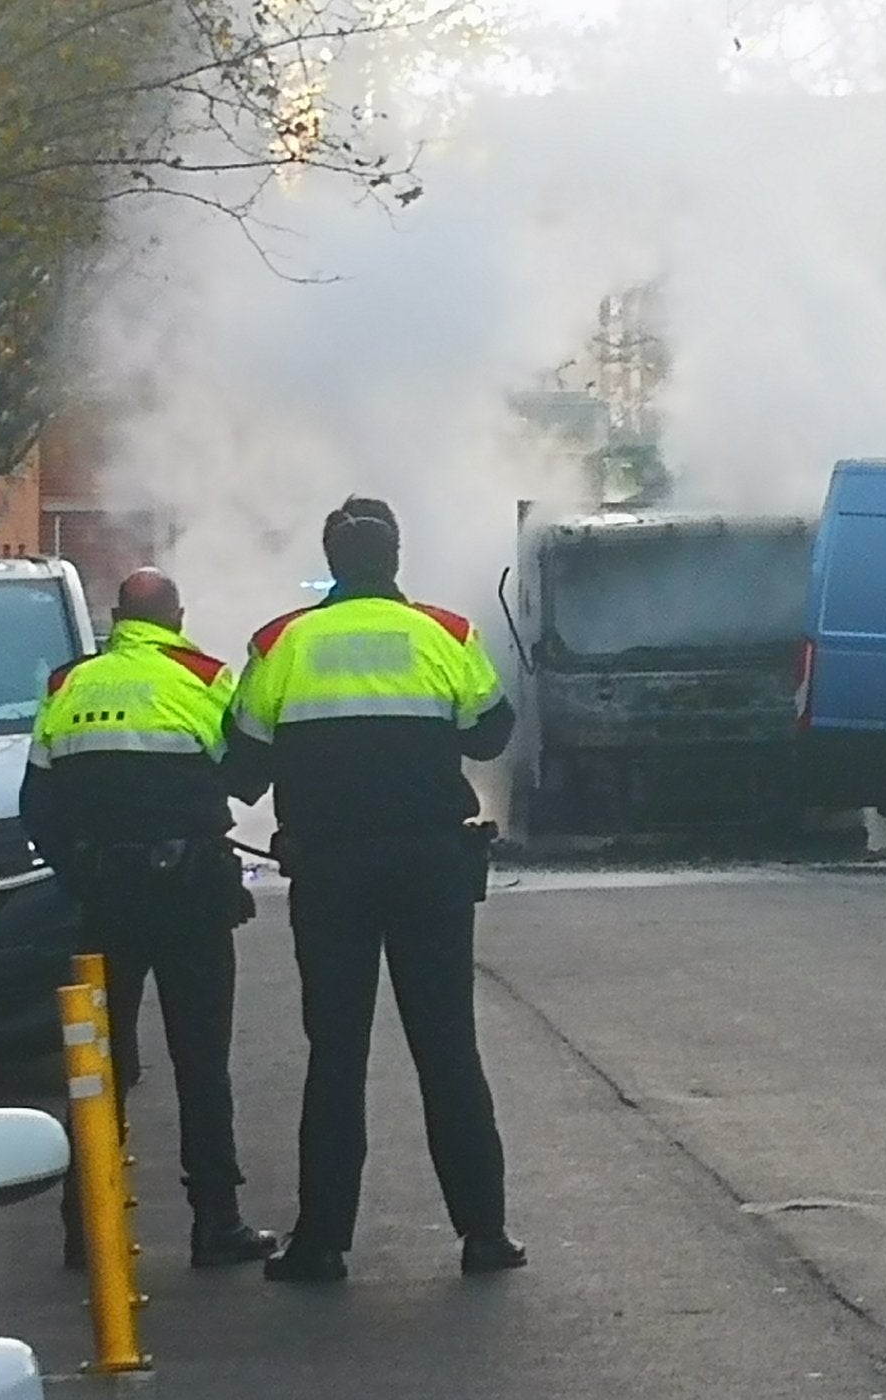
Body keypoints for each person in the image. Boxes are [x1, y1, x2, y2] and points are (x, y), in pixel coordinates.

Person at [227, 496, 524, 1284]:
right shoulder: (447, 632)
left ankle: (322, 1243)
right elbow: (492, 731)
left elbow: (242, 762)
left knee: (336, 1054)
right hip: (430, 866)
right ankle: (484, 1234)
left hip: (329, 870)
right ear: (394, 559)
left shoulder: (281, 641)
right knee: (448, 1047)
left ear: (330, 563)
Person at [19, 568, 273, 1269]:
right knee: (201, 1060)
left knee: (101, 1062)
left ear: (114, 615)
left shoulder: (68, 685)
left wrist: (81, 871)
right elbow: (245, 774)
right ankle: (216, 1223)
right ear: (178, 618)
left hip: (103, 898)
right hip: (192, 895)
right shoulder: (205, 676)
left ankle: (85, 1225)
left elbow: (35, 806)